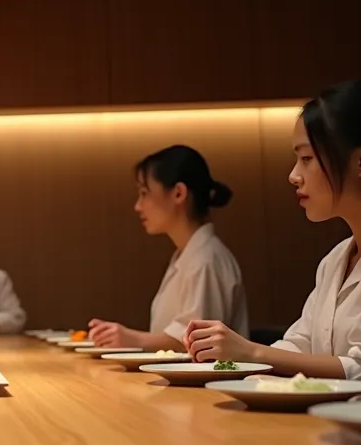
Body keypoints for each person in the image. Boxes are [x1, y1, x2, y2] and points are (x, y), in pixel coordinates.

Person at [184, 79, 361, 398]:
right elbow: (300, 346)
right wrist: (227, 360)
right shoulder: (338, 257)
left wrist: (252, 353)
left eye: (307, 158)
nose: (294, 175)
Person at [88, 146, 246, 351]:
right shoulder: (188, 255)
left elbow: (198, 340)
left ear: (178, 193)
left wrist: (133, 339)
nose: (138, 205)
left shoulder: (206, 259)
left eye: (144, 193)